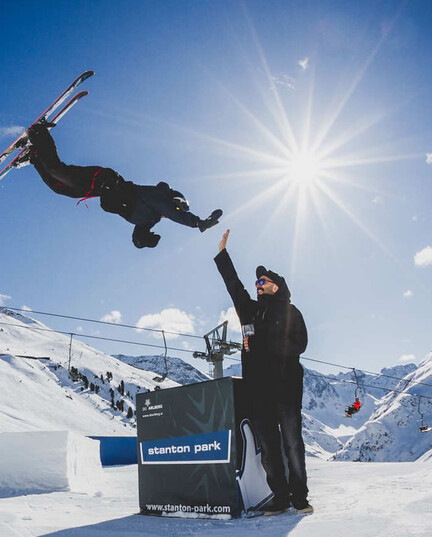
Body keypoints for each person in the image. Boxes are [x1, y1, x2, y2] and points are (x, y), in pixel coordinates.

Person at [213, 229, 311, 515]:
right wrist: (222, 256)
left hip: (286, 391)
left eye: (262, 280)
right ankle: (280, 498)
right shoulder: (250, 311)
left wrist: (266, 347)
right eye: (256, 280)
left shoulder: (292, 312)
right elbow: (233, 285)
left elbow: (300, 344)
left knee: (292, 444)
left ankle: (300, 498)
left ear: (276, 286)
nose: (257, 284)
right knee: (269, 449)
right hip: (259, 392)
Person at [23, 122, 222, 249]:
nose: (167, 214)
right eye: (176, 208)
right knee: (59, 172)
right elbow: (172, 212)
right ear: (174, 202)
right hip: (104, 179)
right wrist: (198, 223)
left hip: (98, 190)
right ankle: (39, 132)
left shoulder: (151, 218)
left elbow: (138, 234)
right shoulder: (158, 196)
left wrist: (144, 241)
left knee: (59, 188)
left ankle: (34, 156)